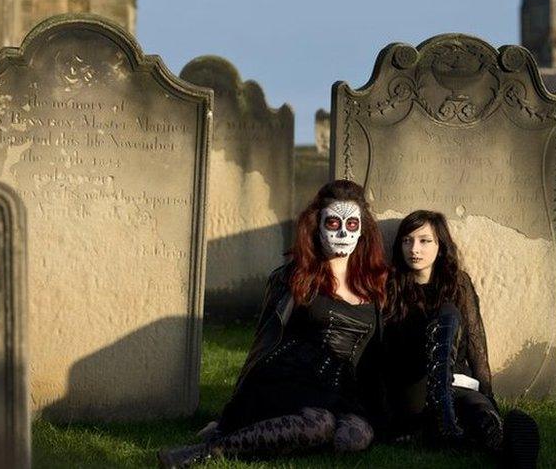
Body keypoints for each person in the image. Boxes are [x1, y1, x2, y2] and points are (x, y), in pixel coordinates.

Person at [158, 180, 389, 467]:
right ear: (317, 226)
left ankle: (281, 436)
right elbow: (263, 341)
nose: (343, 232)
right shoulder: (295, 278)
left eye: (352, 224)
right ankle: (206, 451)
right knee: (320, 425)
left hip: (342, 389)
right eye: (333, 222)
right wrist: (229, 415)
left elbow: (376, 356)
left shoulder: (374, 283)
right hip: (291, 381)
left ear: (363, 229)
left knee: (352, 439)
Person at [383, 210, 539, 467]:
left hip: (457, 380)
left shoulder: (458, 283)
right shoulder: (392, 286)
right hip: (416, 385)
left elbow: (477, 343)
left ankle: (502, 444)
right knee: (448, 313)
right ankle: (442, 418)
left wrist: (488, 397)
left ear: (440, 245)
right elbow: (387, 352)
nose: (414, 249)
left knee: (480, 414)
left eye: (425, 241)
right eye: (407, 240)